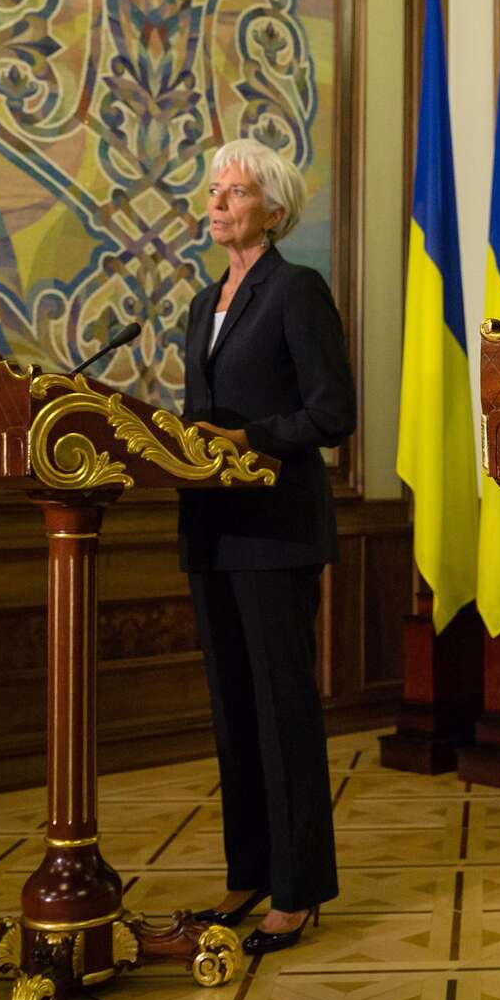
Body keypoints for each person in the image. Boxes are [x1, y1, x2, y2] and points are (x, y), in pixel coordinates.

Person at [179, 136, 355, 955]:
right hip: (211, 531)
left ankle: (298, 887)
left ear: (274, 210)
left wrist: (246, 439)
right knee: (234, 712)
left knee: (283, 714)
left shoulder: (296, 290)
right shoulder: (200, 304)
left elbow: (332, 412)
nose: (218, 202)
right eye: (215, 189)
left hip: (275, 531)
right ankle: (248, 870)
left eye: (236, 190)